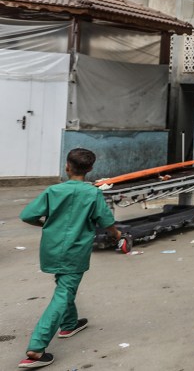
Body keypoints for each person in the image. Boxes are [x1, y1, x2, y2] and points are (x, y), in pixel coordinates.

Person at [18, 148, 122, 369]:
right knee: (64, 291)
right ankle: (37, 347)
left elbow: (28, 215)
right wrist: (116, 235)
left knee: (64, 284)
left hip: (51, 247)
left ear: (67, 166)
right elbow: (106, 221)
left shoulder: (53, 190)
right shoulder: (92, 193)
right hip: (74, 250)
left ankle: (69, 323)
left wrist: (46, 224)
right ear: (90, 169)